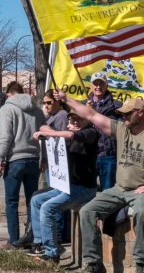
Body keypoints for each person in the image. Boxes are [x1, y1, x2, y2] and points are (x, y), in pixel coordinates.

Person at [54, 90, 144, 273]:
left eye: (128, 113)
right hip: (118, 189)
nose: (124, 117)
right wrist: (66, 100)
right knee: (87, 211)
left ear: (141, 113)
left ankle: (141, 262)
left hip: (142, 191)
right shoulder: (121, 129)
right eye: (123, 114)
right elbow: (91, 114)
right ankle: (94, 263)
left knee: (141, 211)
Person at [28, 110, 98, 263]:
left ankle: (52, 253)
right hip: (67, 186)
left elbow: (73, 135)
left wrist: (53, 132)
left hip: (84, 188)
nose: (75, 122)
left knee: (48, 208)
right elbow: (49, 134)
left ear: (87, 120)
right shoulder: (67, 137)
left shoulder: (90, 133)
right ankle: (41, 244)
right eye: (72, 120)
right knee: (36, 201)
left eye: (79, 119)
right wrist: (44, 135)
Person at [12, 89, 70, 249]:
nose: (46, 105)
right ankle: (44, 236)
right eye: (44, 103)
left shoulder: (62, 116)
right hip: (51, 162)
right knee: (45, 197)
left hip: (60, 164)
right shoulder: (50, 117)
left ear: (58, 101)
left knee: (56, 200)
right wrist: (43, 158)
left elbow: (62, 138)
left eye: (49, 102)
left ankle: (58, 234)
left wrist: (47, 132)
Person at [0, 81, 46, 248]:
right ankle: (32, 237)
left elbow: (6, 136)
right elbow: (45, 135)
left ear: (9, 93)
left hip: (15, 159)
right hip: (33, 158)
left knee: (12, 202)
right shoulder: (38, 110)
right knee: (32, 200)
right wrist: (43, 158)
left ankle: (14, 240)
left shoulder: (7, 109)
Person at [86, 71, 121, 191]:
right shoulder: (83, 105)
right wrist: (87, 112)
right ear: (90, 86)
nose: (98, 87)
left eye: (101, 83)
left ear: (107, 86)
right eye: (95, 84)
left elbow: (121, 129)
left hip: (108, 155)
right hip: (88, 155)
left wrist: (93, 113)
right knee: (87, 192)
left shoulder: (117, 106)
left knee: (108, 193)